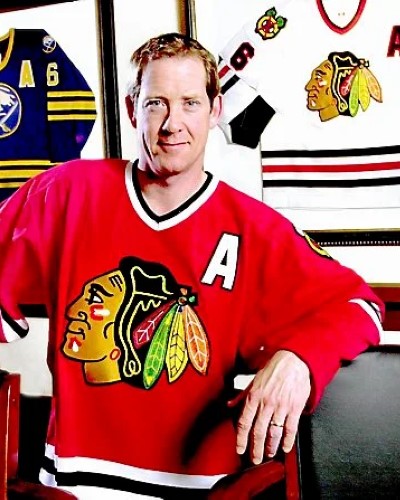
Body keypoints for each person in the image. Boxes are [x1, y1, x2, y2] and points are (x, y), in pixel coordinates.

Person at [0, 32, 384, 499]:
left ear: (215, 110)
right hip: (73, 485)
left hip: (205, 489)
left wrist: (300, 359)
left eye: (190, 103)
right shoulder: (63, 193)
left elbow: (362, 305)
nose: (172, 124)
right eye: (156, 103)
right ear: (132, 109)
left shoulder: (255, 228)